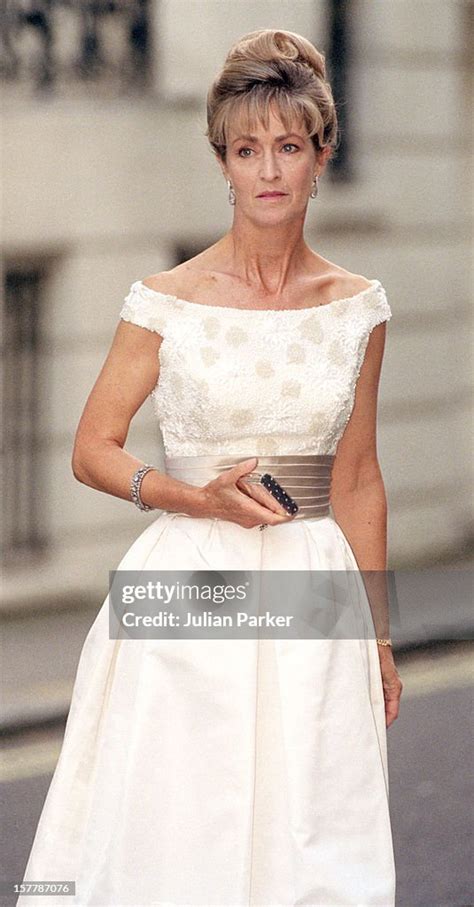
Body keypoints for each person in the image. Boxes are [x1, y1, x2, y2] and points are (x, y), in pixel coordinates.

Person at [17, 28, 403, 907]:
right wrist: (192, 496)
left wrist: (378, 632)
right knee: (178, 825)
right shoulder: (164, 302)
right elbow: (91, 449)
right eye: (245, 150)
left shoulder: (359, 309)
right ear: (221, 163)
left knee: (307, 836)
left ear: (319, 157)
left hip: (314, 586)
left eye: (289, 147)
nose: (267, 170)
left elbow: (358, 479)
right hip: (189, 579)